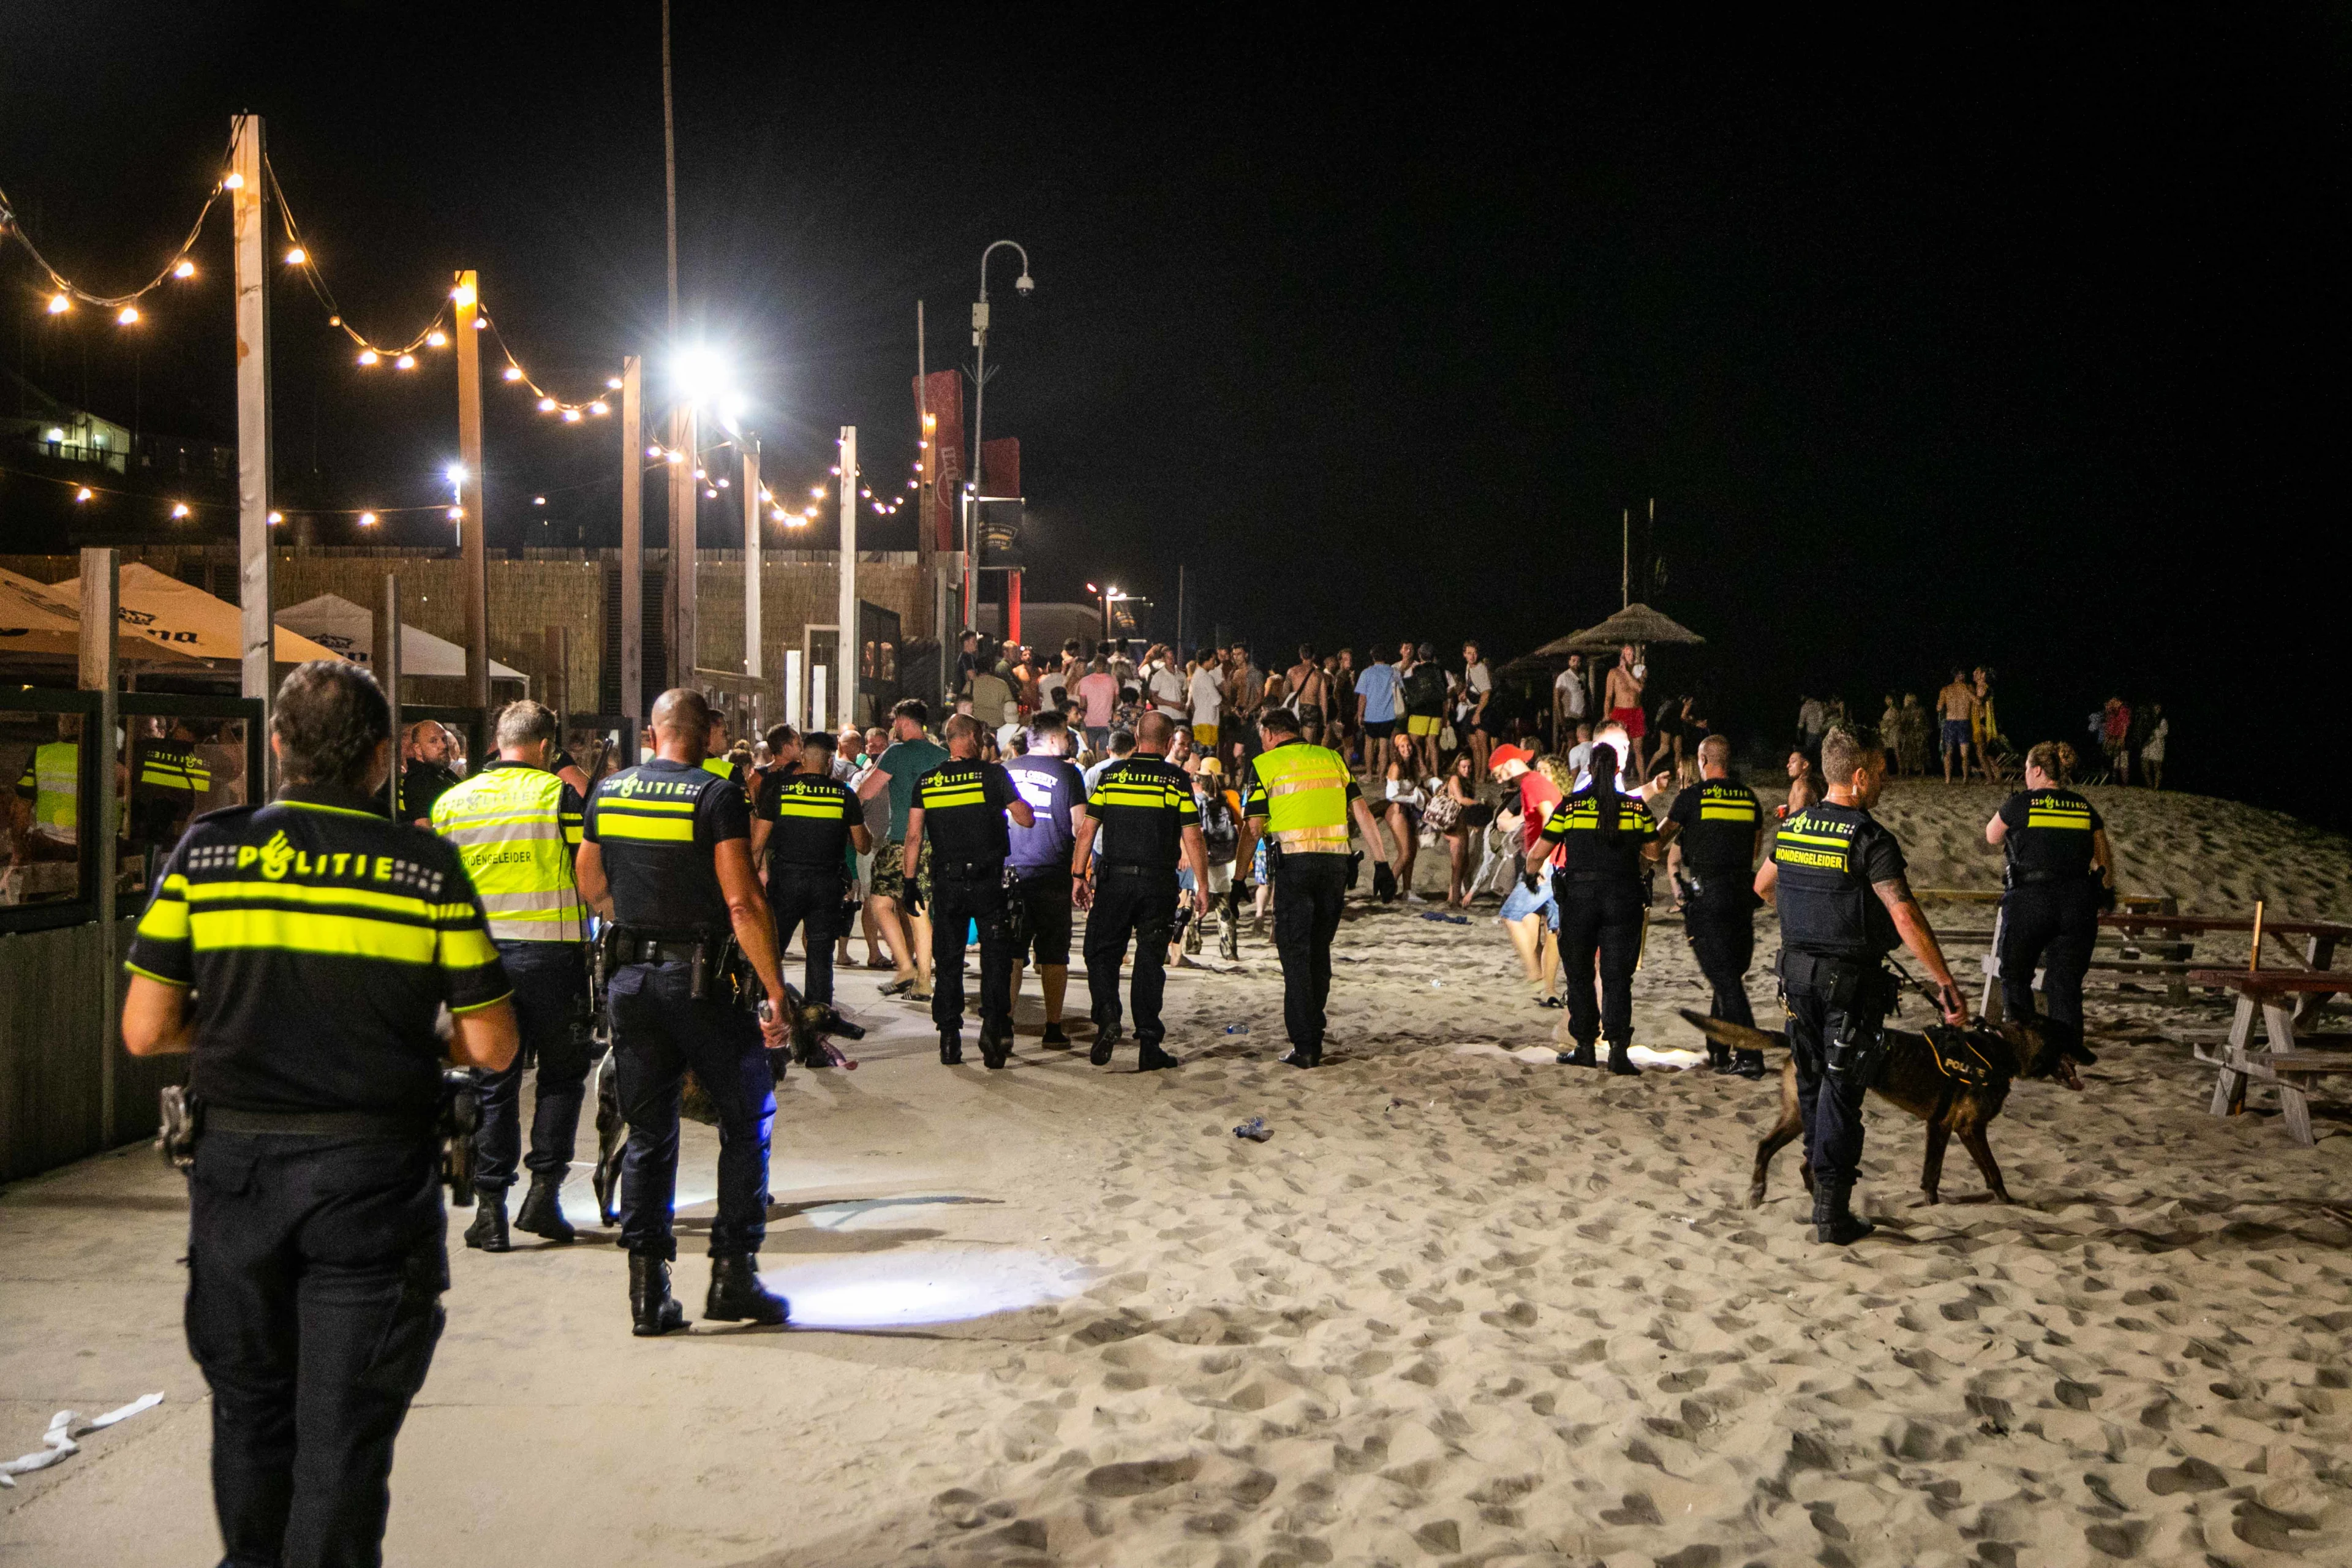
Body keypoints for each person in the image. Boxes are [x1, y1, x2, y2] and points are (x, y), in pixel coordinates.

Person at [119, 660, 521, 1566]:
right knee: (342, 1439)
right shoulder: (424, 867)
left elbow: (145, 1032)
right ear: (383, 758)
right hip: (373, 1183)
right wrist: (402, 1041)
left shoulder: (209, 853)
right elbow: (493, 1045)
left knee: (252, 1412)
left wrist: (243, 1027)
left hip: (238, 1182)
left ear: (276, 745)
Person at [575, 687, 796, 1333]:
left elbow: (589, 885)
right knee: (747, 1116)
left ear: (653, 733)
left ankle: (649, 1292)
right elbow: (742, 902)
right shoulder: (716, 794)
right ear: (709, 734)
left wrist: (638, 926)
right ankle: (733, 1275)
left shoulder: (610, 791)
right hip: (701, 984)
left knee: (649, 1133)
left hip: (631, 983)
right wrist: (774, 987)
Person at [1755, 727, 1969, 1246]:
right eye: (1880, 772)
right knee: (1841, 1091)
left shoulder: (1794, 829)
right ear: (1857, 776)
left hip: (1795, 978)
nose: (1885, 782)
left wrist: (1809, 921)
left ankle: (1820, 1191)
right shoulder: (1870, 839)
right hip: (1847, 987)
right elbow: (1905, 916)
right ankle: (1832, 1212)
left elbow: (1763, 889)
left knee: (1811, 1083)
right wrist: (1944, 982)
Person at [428, 699, 594, 1251]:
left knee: (492, 1082)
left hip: (479, 963)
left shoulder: (452, 802)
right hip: (553, 956)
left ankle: (490, 1210)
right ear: (546, 748)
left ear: (498, 743)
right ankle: (544, 1197)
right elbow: (587, 867)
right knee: (562, 1078)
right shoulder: (558, 795)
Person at [1235, 707, 1391, 1068]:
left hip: (1294, 867)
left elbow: (1254, 828)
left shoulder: (1265, 764)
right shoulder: (1333, 759)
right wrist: (1381, 863)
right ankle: (1314, 1031)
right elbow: (1362, 812)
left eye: (1262, 737)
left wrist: (1239, 878)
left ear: (1272, 734)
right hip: (1335, 868)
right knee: (1320, 952)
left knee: (1295, 956)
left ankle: (1305, 1045)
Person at [1072, 711, 1211, 1069]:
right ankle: (1149, 1043)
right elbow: (1192, 836)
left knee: (1101, 953)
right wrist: (1203, 885)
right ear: (1169, 744)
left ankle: (1108, 1016)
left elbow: (1088, 829)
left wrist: (1078, 875)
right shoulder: (1177, 780)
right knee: (1150, 961)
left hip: (1114, 881)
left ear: (1136, 737)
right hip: (1157, 883)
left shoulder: (1112, 776)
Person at [903, 712, 1034, 1066]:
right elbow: (1025, 817)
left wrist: (909, 882)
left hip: (946, 883)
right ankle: (993, 1032)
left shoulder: (927, 782)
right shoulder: (992, 774)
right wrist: (1018, 804)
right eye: (981, 737)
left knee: (948, 961)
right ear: (972, 737)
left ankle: (949, 1038)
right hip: (988, 883)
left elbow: (914, 836)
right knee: (995, 960)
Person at [1526, 741, 1660, 1076]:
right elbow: (1654, 853)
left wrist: (1531, 877)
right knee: (1618, 977)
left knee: (1581, 975)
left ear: (1588, 770)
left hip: (1579, 900)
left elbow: (1537, 855)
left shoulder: (1570, 808)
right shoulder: (1636, 809)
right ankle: (1618, 1052)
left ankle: (1585, 1047)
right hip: (1624, 897)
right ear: (1618, 771)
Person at [1985, 741, 2113, 1066]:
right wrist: (2104, 895)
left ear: (2038, 770)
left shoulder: (2021, 803)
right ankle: (2067, 1051)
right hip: (2077, 905)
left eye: (2027, 768)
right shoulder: (2084, 807)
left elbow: (1992, 836)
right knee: (2065, 982)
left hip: (2030, 900)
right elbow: (2104, 859)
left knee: (2015, 975)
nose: (2025, 774)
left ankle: (2027, 1049)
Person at [750, 729, 871, 1046]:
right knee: (820, 957)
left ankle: (765, 1024)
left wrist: (753, 884)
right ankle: (815, 1037)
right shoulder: (844, 794)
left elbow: (757, 844)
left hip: (786, 882)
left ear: (803, 757)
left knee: (771, 953)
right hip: (825, 886)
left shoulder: (780, 790)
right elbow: (863, 845)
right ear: (830, 761)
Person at [1663, 734, 1769, 1077]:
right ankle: (1719, 1049)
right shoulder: (1749, 799)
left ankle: (1751, 1054)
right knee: (1729, 974)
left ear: (1704, 760)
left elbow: (1658, 840)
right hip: (1742, 894)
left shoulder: (1691, 797)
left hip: (1708, 896)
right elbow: (1754, 852)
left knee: (1724, 978)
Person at [1005, 709, 1090, 1050]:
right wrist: (1081, 872)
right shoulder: (1068, 775)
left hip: (1009, 871)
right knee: (1054, 954)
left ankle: (1006, 1021)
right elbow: (1080, 827)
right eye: (1068, 736)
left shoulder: (1005, 770)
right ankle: (1053, 1028)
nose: (1070, 742)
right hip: (1051, 873)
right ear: (1054, 739)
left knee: (1011, 952)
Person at [859, 699, 948, 1001]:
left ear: (904, 722)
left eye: (895, 720)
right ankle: (920, 976)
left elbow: (866, 792)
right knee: (921, 910)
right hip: (935, 842)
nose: (893, 726)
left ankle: (910, 970)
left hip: (901, 840)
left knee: (881, 903)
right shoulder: (942, 755)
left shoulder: (895, 753)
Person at [1376, 730, 1428, 903]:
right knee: (1405, 853)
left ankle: (1407, 890)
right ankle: (1388, 888)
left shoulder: (1411, 766)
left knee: (1412, 852)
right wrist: (1413, 798)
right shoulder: (1395, 767)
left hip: (1409, 811)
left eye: (1408, 745)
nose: (1406, 749)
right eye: (1402, 746)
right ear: (1396, 750)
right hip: (1396, 810)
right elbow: (1391, 795)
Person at [1436, 750, 1482, 908]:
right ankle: (1454, 900)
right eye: (1464, 767)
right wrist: (1480, 804)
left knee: (1463, 863)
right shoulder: (1455, 779)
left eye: (1469, 767)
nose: (1467, 770)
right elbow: (1461, 800)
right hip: (1454, 827)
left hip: (1462, 825)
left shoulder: (1467, 781)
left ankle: (1452, 897)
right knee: (1457, 865)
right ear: (1457, 767)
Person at [398, 718, 461, 826]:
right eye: (433, 741)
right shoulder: (419, 780)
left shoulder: (443, 774)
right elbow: (423, 825)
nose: (443, 746)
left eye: (444, 739)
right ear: (418, 749)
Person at [1353, 645, 1403, 767]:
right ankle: (1381, 777)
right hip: (1389, 715)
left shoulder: (1366, 673)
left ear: (1373, 657)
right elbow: (1401, 690)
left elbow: (1362, 697)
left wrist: (1360, 715)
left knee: (1369, 744)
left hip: (1371, 716)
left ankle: (1369, 774)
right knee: (1384, 745)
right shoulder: (1394, 672)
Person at [1604, 645, 1646, 760]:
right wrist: (1606, 715)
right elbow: (1609, 696)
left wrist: (1626, 672)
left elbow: (1639, 689)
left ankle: (1642, 777)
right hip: (1620, 710)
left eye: (1632, 654)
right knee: (1618, 745)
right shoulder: (1613, 673)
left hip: (1636, 711)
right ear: (1622, 656)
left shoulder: (1640, 670)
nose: (1630, 656)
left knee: (1638, 749)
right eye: (1627, 654)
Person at [1460, 641, 1495, 777]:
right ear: (1464, 654)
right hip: (1471, 707)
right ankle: (1476, 776)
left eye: (1475, 653)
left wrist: (1478, 713)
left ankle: (1482, 776)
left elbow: (1486, 693)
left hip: (1482, 709)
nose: (1472, 656)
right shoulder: (1468, 667)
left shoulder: (1481, 669)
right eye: (1469, 653)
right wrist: (1464, 693)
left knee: (1482, 744)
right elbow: (1470, 685)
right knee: (1474, 746)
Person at [1936, 671, 1977, 783]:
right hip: (1963, 722)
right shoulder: (1967, 688)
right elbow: (1977, 702)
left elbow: (1939, 708)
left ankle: (1949, 779)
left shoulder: (1946, 690)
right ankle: (1964, 778)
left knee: (1950, 753)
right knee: (1963, 754)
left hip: (1951, 722)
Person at [1074, 657, 1120, 753]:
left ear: (1094, 665)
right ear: (1106, 666)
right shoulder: (1113, 681)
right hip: (1107, 721)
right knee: (1104, 752)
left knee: (1090, 752)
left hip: (1089, 721)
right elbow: (1117, 703)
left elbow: (1082, 704)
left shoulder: (1085, 681)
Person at [1187, 647, 1224, 753]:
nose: (1215, 663)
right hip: (1208, 722)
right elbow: (1217, 700)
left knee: (1199, 753)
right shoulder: (1206, 677)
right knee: (1207, 756)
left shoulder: (1196, 675)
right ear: (1206, 660)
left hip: (1199, 720)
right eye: (1213, 660)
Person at [1551, 652, 1588, 753]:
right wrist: (1561, 718)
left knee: (1582, 742)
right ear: (1569, 662)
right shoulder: (1564, 677)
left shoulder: (1583, 676)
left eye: (1578, 661)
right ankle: (1567, 766)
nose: (1576, 663)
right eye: (1574, 661)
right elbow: (1557, 699)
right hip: (1569, 716)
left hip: (1581, 716)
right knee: (1572, 743)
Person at [1784, 747, 1823, 816]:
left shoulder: (1800, 784)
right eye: (1789, 762)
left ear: (1805, 765)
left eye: (1793, 762)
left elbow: (1796, 817)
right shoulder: (1818, 784)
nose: (1788, 765)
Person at [2140, 704, 2168, 790]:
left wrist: (2154, 731)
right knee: (2145, 767)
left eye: (2159, 708)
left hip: (2157, 746)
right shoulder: (2147, 720)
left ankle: (2156, 787)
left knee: (2157, 767)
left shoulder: (2163, 721)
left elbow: (2163, 733)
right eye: (2155, 707)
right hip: (2147, 746)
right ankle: (2150, 785)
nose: (2156, 710)